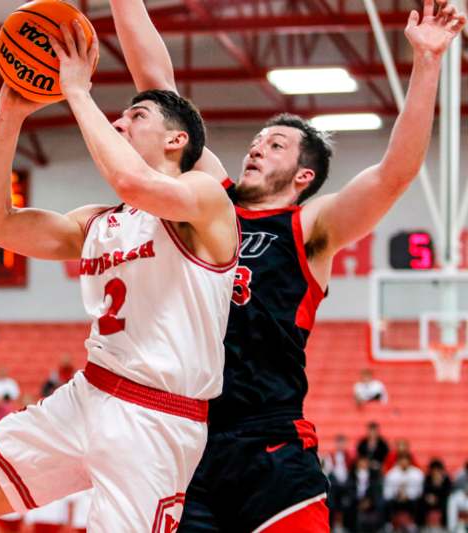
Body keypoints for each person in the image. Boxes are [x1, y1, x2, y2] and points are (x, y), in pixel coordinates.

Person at [107, 0, 466, 530]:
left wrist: (428, 62)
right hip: (187, 436)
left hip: (269, 442)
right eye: (255, 141)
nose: (255, 149)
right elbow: (158, 82)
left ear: (303, 176)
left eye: (274, 145)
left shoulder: (310, 227)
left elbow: (394, 173)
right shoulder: (212, 202)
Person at [0, 19, 239, 532]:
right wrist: (10, 115)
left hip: (156, 420)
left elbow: (133, 180)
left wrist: (77, 92)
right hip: (86, 395)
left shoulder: (205, 198)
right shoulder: (100, 221)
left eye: (137, 115)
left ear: (177, 139)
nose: (119, 122)